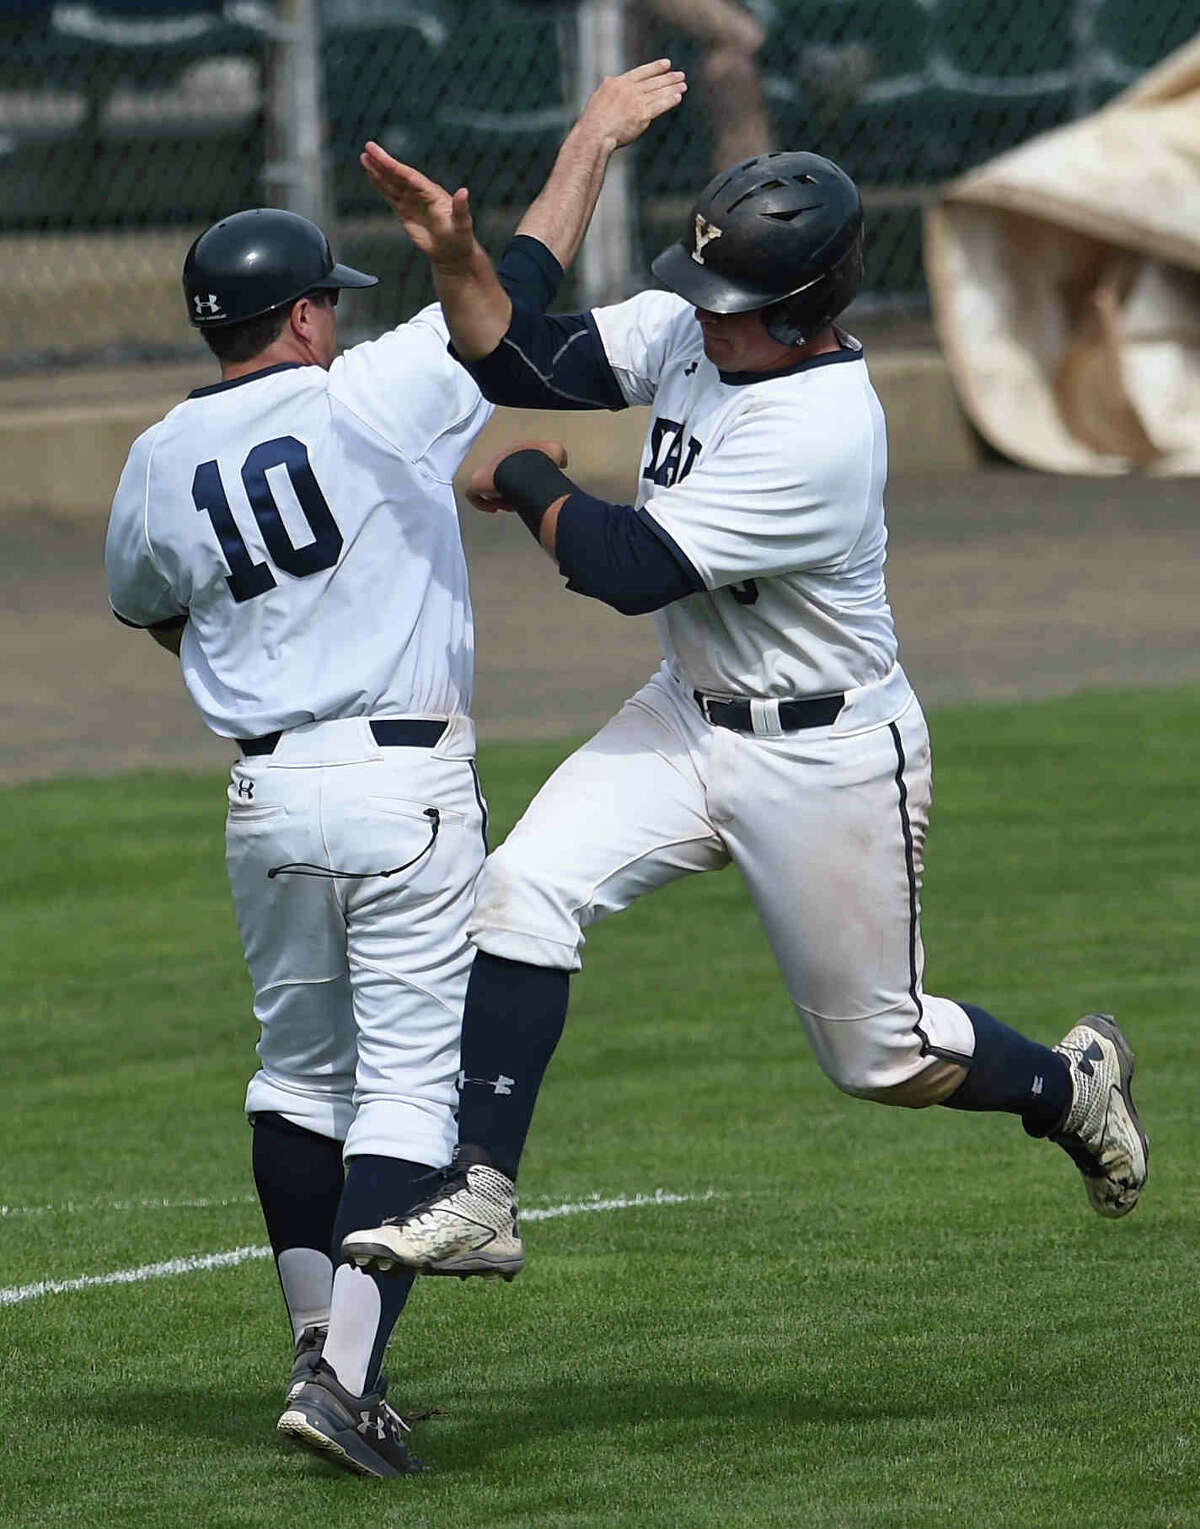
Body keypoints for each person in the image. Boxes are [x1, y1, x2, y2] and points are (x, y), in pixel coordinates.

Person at [340, 143, 1149, 1287]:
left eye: (737, 304)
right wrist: (461, 258)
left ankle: (1071, 1087)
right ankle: (482, 1186)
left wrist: (528, 479)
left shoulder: (820, 431)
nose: (707, 318)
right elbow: (529, 351)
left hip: (826, 758)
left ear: (810, 306)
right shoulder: (697, 328)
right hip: (686, 718)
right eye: (706, 290)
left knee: (881, 1054)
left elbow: (627, 566)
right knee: (522, 890)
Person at [102, 59, 686, 1478]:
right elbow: (520, 291)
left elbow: (151, 603)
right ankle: (345, 1382)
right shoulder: (367, 394)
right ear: (302, 313)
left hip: (262, 792)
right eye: (328, 299)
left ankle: (318, 1343)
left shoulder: (156, 455)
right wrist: (591, 136)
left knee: (296, 1076)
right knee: (410, 1086)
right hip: (400, 783)